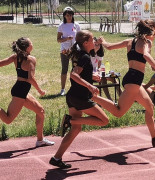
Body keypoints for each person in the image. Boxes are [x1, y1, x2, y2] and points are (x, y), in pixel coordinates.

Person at [93, 19, 155, 147]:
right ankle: (93, 97)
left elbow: (110, 47)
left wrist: (103, 42)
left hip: (132, 80)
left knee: (150, 106)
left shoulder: (130, 41)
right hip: (134, 82)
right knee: (118, 112)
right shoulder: (147, 42)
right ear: (150, 30)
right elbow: (145, 55)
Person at [49, 30, 109, 169]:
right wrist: (90, 85)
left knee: (75, 130)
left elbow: (80, 73)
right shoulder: (85, 57)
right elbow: (73, 75)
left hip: (73, 96)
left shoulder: (81, 54)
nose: (95, 42)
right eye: (93, 39)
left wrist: (91, 77)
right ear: (86, 43)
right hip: (81, 97)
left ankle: (56, 158)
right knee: (104, 120)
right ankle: (70, 120)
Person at [0, 37, 54, 147]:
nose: (32, 44)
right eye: (31, 42)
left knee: (40, 111)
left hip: (20, 89)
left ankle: (40, 140)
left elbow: (1, 63)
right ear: (28, 47)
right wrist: (40, 90)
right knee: (8, 119)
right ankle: (40, 140)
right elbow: (30, 78)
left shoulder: (15, 57)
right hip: (21, 92)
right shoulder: (31, 59)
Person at [57, 6, 81, 96]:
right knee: (64, 69)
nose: (69, 17)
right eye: (67, 15)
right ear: (64, 16)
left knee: (75, 69)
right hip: (65, 50)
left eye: (70, 15)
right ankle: (62, 89)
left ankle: (75, 87)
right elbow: (58, 39)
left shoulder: (77, 25)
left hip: (75, 50)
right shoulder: (61, 26)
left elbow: (80, 37)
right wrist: (66, 38)